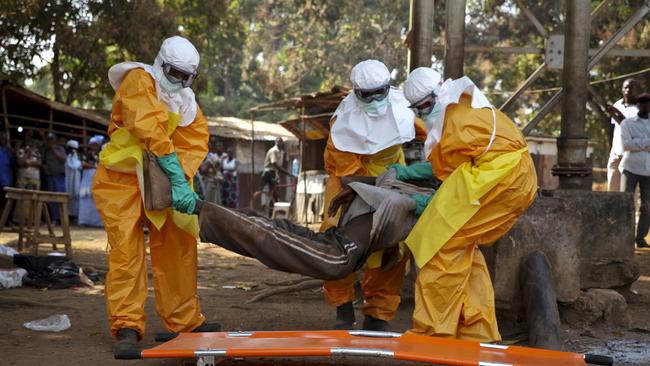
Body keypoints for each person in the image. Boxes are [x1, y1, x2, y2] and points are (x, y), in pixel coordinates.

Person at [93, 36, 217, 357]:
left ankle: (183, 321)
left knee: (179, 241)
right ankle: (127, 327)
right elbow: (149, 128)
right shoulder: (138, 79)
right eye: (176, 74)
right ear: (161, 65)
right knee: (126, 250)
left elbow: (194, 141)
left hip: (161, 177)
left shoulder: (186, 101)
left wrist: (181, 181)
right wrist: (175, 174)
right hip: (122, 179)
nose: (182, 83)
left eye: (188, 77)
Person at [399, 67, 537, 341]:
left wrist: (413, 181)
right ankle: (477, 332)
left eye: (426, 106)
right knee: (461, 248)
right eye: (418, 109)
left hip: (499, 180)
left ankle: (434, 332)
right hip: (508, 177)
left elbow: (446, 170)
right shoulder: (462, 104)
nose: (423, 112)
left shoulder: (455, 121)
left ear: (438, 93)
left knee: (437, 245)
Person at [321, 59, 427, 331]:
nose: (376, 98)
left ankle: (378, 314)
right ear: (356, 92)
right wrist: (369, 187)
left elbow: (433, 134)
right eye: (368, 94)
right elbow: (344, 168)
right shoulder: (341, 121)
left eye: (380, 91)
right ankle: (343, 309)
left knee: (395, 241)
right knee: (334, 235)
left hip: (393, 175)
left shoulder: (404, 108)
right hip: (349, 180)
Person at [619, 92, 650, 248]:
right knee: (626, 204)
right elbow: (627, 145)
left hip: (649, 171)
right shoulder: (627, 123)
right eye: (642, 102)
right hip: (630, 168)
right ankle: (624, 238)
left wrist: (637, 142)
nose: (645, 105)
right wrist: (647, 143)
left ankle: (640, 238)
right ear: (638, 104)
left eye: (647, 102)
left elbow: (633, 144)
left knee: (647, 206)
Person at [606, 79, 640, 192]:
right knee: (612, 189)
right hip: (616, 154)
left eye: (631, 88)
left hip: (632, 156)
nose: (627, 90)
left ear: (636, 90)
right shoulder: (617, 105)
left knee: (628, 191)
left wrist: (618, 115)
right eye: (625, 87)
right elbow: (613, 129)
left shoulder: (641, 109)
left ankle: (630, 210)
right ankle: (612, 210)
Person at [78, 136, 104, 227]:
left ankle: (98, 223)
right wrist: (94, 167)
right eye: (92, 145)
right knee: (85, 198)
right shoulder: (87, 154)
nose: (94, 146)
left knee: (97, 199)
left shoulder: (102, 154)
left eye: (96, 145)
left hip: (99, 179)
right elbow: (83, 164)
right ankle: (84, 221)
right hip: (87, 179)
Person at [42, 132, 67, 223]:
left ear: (55, 140)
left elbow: (63, 159)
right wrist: (44, 167)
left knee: (60, 197)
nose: (50, 141)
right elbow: (42, 162)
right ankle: (54, 219)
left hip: (59, 176)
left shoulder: (60, 149)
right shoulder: (45, 151)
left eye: (51, 139)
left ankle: (63, 219)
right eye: (48, 139)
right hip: (50, 176)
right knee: (51, 198)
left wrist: (53, 149)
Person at [261, 137, 291, 209]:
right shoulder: (273, 151)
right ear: (275, 142)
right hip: (269, 172)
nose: (280, 143)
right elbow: (275, 164)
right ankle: (266, 207)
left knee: (275, 192)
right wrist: (287, 173)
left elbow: (279, 166)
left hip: (275, 172)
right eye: (278, 142)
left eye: (281, 142)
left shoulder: (281, 152)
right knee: (270, 191)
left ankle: (273, 209)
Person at [199, 137, 224, 205]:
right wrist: (209, 166)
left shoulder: (213, 156)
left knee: (215, 200)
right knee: (207, 200)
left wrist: (210, 167)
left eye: (209, 147)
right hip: (205, 181)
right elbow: (202, 170)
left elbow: (218, 167)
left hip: (214, 181)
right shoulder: (201, 156)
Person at [64, 140, 82, 219]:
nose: (73, 150)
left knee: (76, 197)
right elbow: (70, 166)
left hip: (76, 181)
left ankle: (75, 216)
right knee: (67, 197)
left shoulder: (77, 159)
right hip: (67, 180)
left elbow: (75, 166)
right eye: (71, 148)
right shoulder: (67, 157)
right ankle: (67, 216)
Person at [0, 131, 14, 222]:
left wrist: (12, 152)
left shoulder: (8, 151)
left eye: (4, 138)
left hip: (5, 179)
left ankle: (7, 221)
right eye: (1, 138)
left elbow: (13, 163)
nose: (3, 140)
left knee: (6, 202)